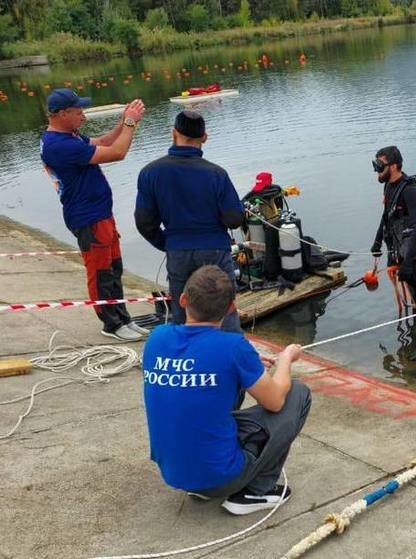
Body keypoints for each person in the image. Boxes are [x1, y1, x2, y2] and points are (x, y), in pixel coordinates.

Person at [142, 265, 311, 515]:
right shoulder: (232, 346)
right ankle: (256, 491)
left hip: (174, 473)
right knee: (297, 392)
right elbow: (275, 401)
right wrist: (286, 358)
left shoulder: (157, 337)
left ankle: (202, 483)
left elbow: (201, 369)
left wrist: (245, 369)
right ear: (232, 307)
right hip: (219, 477)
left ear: (183, 299)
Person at [40, 88, 147, 341]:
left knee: (114, 268)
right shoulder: (58, 145)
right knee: (100, 273)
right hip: (87, 216)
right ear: (62, 114)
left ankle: (123, 318)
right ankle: (111, 324)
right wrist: (130, 123)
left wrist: (123, 122)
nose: (84, 117)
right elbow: (117, 153)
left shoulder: (70, 136)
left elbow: (103, 142)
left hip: (101, 212)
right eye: (79, 112)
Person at [135, 111, 245, 333]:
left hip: (178, 251)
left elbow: (144, 221)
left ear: (173, 133)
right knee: (225, 312)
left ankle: (187, 361)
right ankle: (229, 359)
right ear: (204, 137)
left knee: (182, 313)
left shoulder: (150, 173)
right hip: (214, 250)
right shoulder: (217, 174)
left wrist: (167, 243)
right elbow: (234, 219)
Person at [370, 146, 416, 328]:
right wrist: (377, 241)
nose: (376, 171)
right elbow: (386, 215)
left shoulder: (411, 192)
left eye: (380, 166)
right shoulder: (389, 187)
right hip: (402, 253)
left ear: (394, 166)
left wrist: (409, 263)